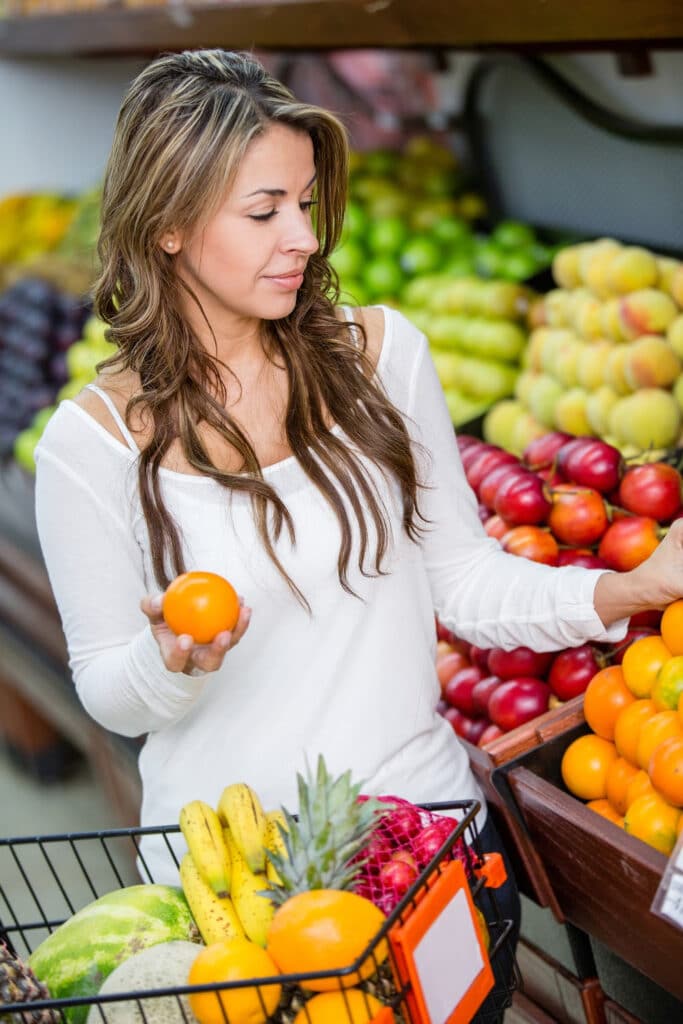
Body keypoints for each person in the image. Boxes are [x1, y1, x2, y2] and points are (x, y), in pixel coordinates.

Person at [33, 48, 683, 1017]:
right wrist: (171, 655)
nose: (300, 235)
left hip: (427, 852)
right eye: (263, 212)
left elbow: (460, 580)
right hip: (233, 901)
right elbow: (108, 690)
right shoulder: (90, 444)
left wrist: (626, 589)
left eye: (304, 201)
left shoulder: (382, 357)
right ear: (166, 226)